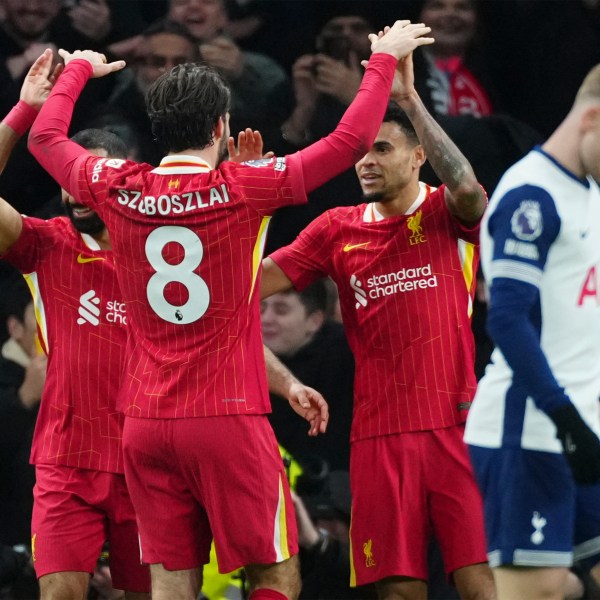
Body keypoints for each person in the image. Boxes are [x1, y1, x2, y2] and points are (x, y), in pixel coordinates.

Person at [27, 21, 435, 600]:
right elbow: (348, 142)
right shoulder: (248, 185)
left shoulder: (112, 184)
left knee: (171, 582)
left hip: (143, 423)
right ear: (220, 126)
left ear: (156, 129)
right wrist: (382, 63)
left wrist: (75, 73)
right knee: (274, 570)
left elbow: (45, 140)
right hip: (227, 414)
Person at [261, 50, 496, 599]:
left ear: (418, 157)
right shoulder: (334, 229)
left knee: (481, 584)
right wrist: (244, 202)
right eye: (361, 152)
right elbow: (243, 289)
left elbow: (469, 190)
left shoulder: (444, 212)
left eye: (382, 149)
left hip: (457, 426)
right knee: (396, 592)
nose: (366, 161)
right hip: (377, 437)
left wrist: (410, 99)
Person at [0, 53, 151, 600]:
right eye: (66, 176)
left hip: (148, 463)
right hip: (66, 463)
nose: (72, 190)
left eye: (85, 176)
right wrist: (23, 113)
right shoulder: (46, 245)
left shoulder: (166, 254)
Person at [464, 63, 600, 600]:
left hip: (585, 428)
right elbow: (507, 319)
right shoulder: (530, 196)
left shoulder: (589, 192)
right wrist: (565, 417)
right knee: (533, 592)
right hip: (531, 431)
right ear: (592, 117)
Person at [262, 279, 355, 470]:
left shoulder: (348, 355)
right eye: (261, 309)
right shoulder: (238, 353)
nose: (266, 319)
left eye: (281, 310)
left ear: (315, 321)